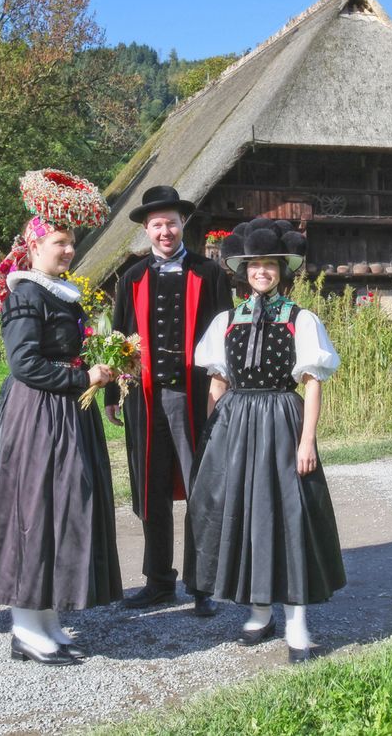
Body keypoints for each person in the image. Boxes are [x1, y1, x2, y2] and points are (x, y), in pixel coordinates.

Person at [0, 169, 121, 666]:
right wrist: (83, 377)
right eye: (59, 242)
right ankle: (26, 628)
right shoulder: (26, 293)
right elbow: (24, 364)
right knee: (35, 513)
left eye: (71, 242)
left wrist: (104, 371)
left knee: (64, 509)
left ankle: (48, 620)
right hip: (37, 416)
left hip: (67, 415)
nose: (68, 250)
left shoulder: (60, 292)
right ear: (34, 247)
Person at [185, 217, 346, 663]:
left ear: (281, 270)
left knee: (287, 514)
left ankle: (296, 622)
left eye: (269, 266)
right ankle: (259, 611)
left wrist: (307, 441)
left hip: (280, 418)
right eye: (254, 266)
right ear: (244, 270)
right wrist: (212, 432)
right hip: (235, 423)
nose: (261, 272)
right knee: (244, 512)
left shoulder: (301, 318)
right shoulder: (226, 320)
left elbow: (312, 382)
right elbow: (217, 382)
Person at [106, 186, 233, 616]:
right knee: (150, 490)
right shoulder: (132, 277)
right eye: (157, 224)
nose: (165, 231)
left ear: (183, 225)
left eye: (172, 223)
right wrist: (111, 394)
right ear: (146, 230)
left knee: (201, 488)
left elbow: (225, 341)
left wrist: (225, 395)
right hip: (144, 399)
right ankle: (159, 581)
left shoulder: (210, 274)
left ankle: (201, 585)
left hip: (194, 397)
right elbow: (119, 338)